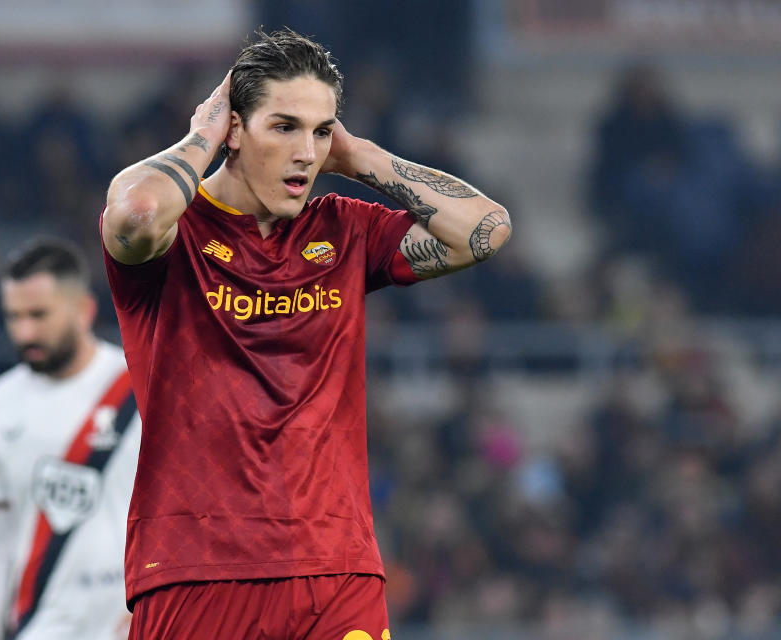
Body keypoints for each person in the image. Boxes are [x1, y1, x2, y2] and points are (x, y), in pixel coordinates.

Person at [101, 29, 511, 639]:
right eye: (284, 126)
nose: (306, 152)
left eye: (321, 132)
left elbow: (486, 229)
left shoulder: (344, 229)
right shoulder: (175, 231)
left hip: (336, 568)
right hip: (199, 568)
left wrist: (364, 159)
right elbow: (133, 215)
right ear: (235, 130)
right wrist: (201, 136)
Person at [0, 237, 141, 640]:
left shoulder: (141, 388)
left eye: (38, 315)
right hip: (43, 627)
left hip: (133, 623)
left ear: (84, 310)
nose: (25, 332)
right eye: (14, 316)